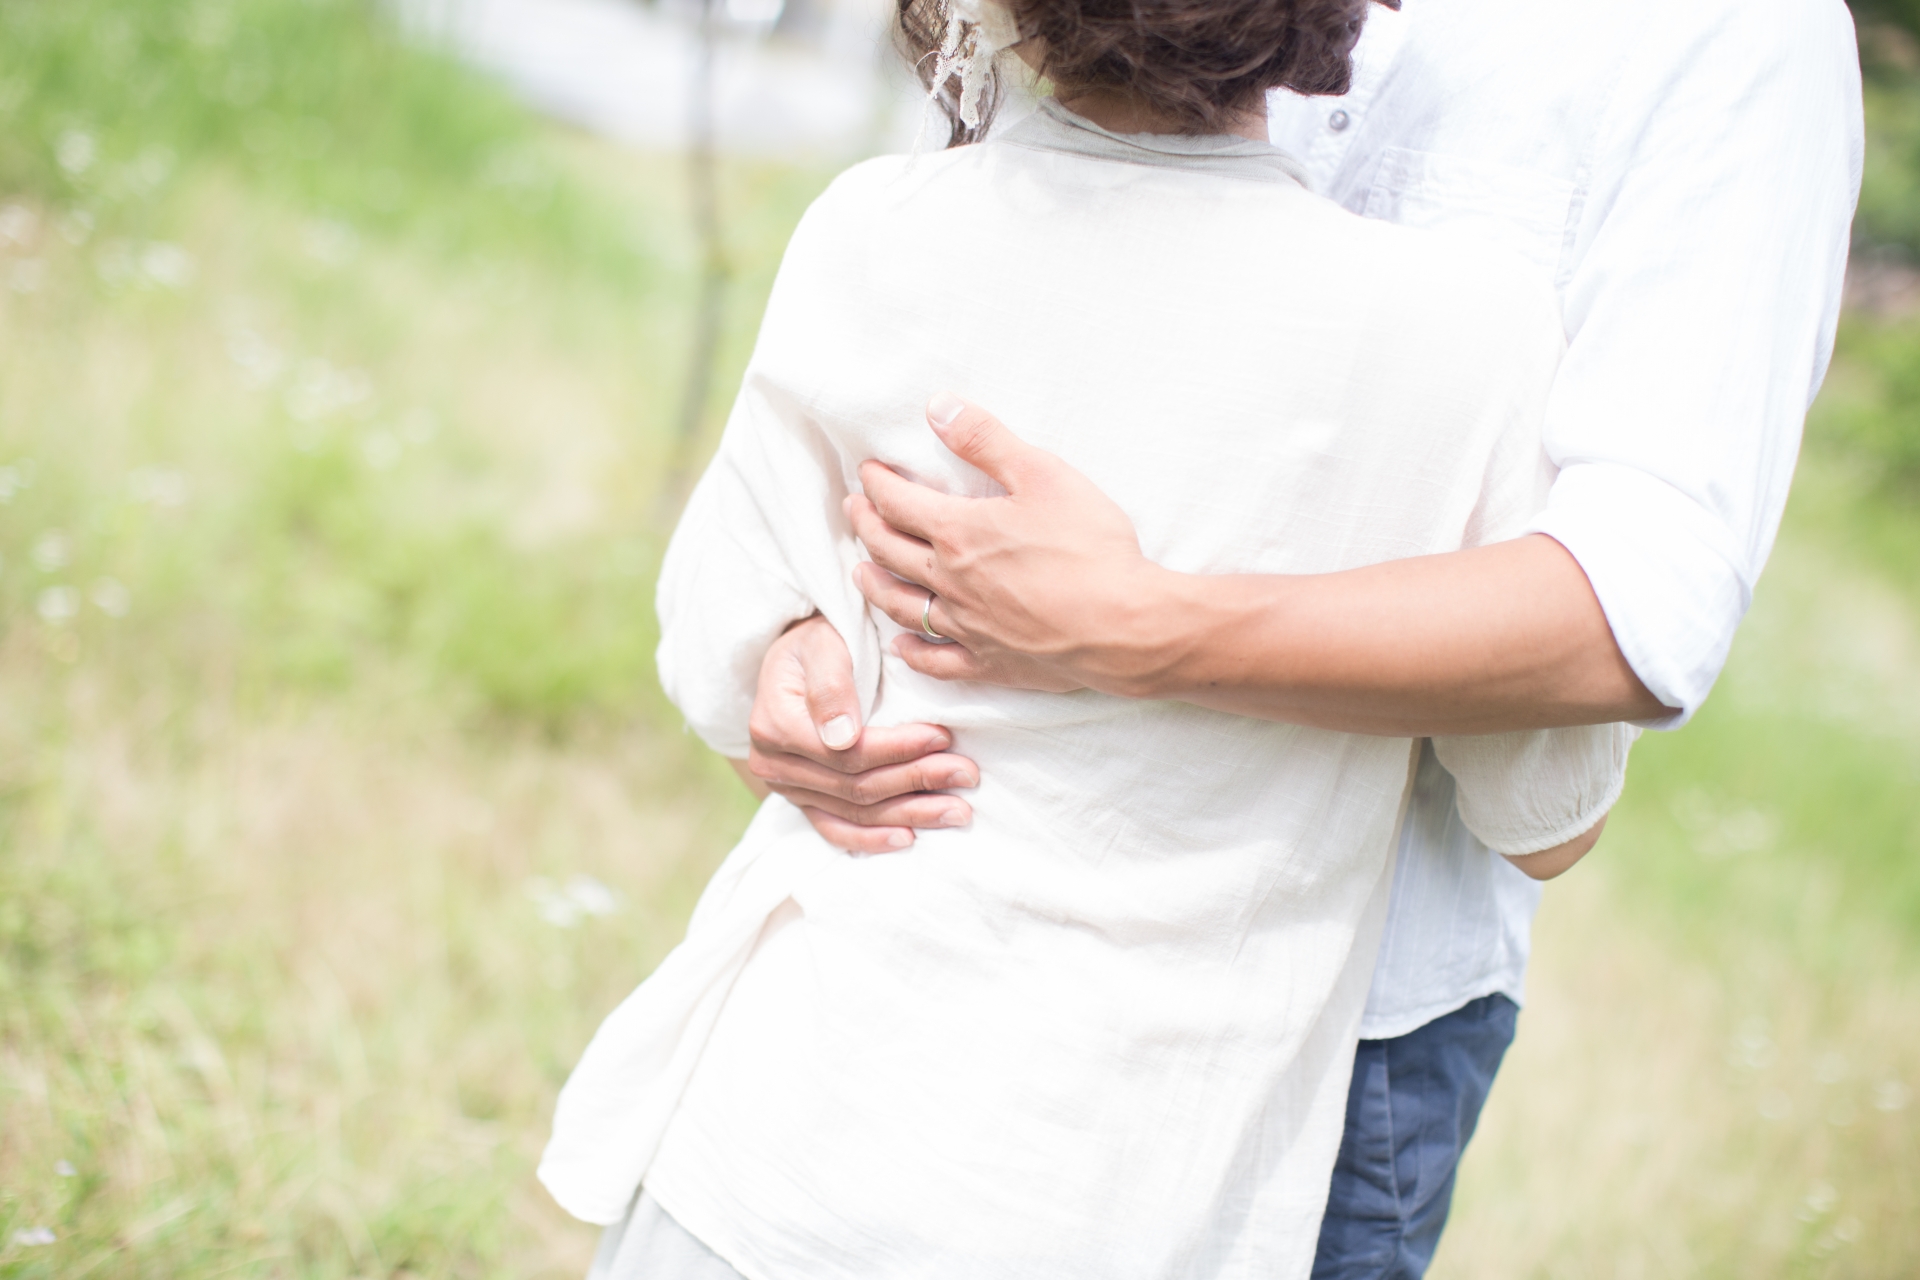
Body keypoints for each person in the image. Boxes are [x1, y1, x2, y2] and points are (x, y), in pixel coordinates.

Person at [739, 0, 1865, 1274]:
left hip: (1317, 1026)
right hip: (936, 911)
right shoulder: (875, 211)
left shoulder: (1731, 38)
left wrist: (1139, 625)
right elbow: (957, 317)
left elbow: (1628, 614)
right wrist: (799, 635)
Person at [539, 0, 1636, 1275]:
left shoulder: (880, 228)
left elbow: (737, 679)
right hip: (1125, 1195)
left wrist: (795, 646)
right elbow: (1549, 820)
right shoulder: (1476, 336)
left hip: (784, 1139)